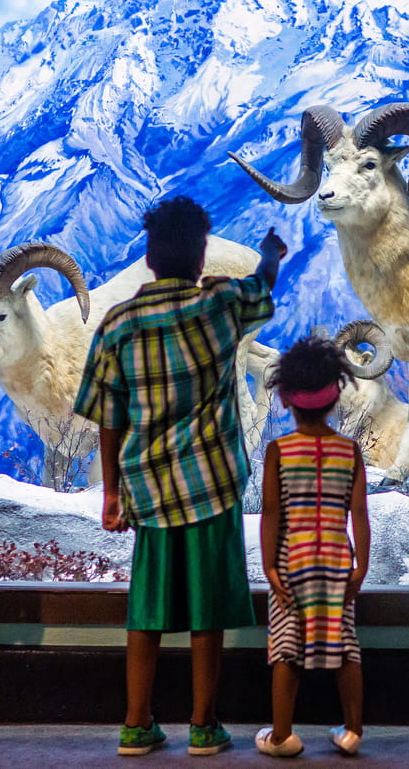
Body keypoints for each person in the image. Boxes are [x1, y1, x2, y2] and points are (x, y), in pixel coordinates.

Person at [75, 196, 286, 757]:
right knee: (205, 612)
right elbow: (262, 291)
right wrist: (270, 256)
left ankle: (136, 723)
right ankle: (202, 724)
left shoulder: (119, 324)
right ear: (201, 260)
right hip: (211, 486)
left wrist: (114, 493)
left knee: (146, 611)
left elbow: (107, 415)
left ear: (147, 257)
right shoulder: (219, 303)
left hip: (148, 490)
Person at [254, 336, 371, 758]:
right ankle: (353, 731)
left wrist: (270, 568)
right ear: (335, 393)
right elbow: (359, 514)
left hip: (291, 563)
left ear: (285, 398)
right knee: (344, 646)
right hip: (339, 562)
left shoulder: (278, 452)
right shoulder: (349, 450)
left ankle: (282, 735)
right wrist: (361, 567)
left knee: (287, 648)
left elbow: (270, 514)